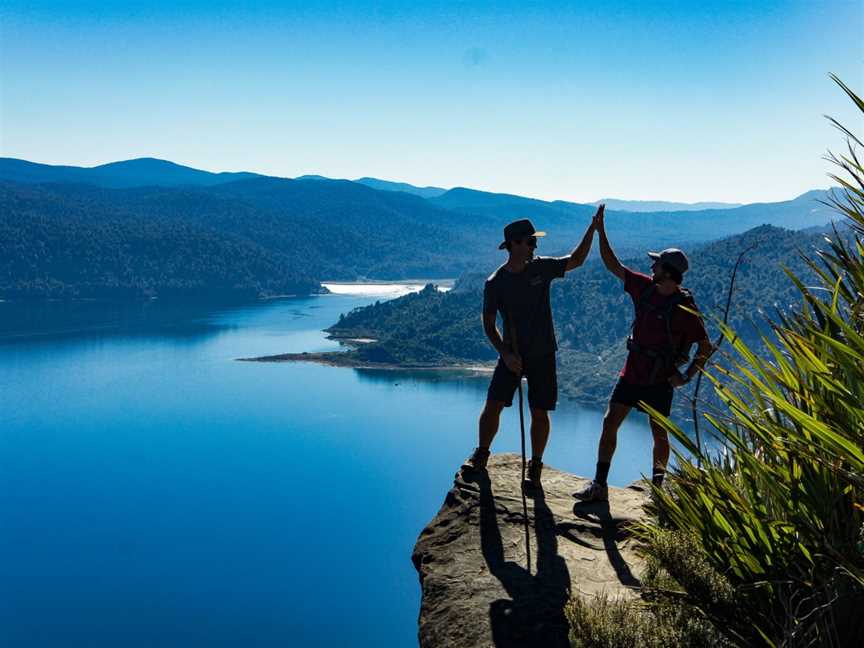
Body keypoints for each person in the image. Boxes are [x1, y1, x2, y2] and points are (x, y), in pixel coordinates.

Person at [575, 207, 713, 501]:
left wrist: (686, 377)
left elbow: (705, 346)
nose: (652, 267)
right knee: (610, 421)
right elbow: (612, 263)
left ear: (667, 272)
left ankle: (658, 492)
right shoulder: (644, 287)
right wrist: (601, 231)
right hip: (633, 373)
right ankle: (599, 486)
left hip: (660, 379)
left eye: (657, 264)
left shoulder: (686, 309)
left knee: (658, 435)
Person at [463, 211, 600, 487]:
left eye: (534, 242)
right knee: (493, 405)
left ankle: (535, 464)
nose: (534, 246)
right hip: (512, 353)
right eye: (529, 241)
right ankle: (482, 453)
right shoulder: (496, 282)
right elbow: (488, 323)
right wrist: (505, 353)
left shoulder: (542, 268)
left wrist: (592, 229)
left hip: (543, 352)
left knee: (539, 411)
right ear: (513, 244)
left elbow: (576, 260)